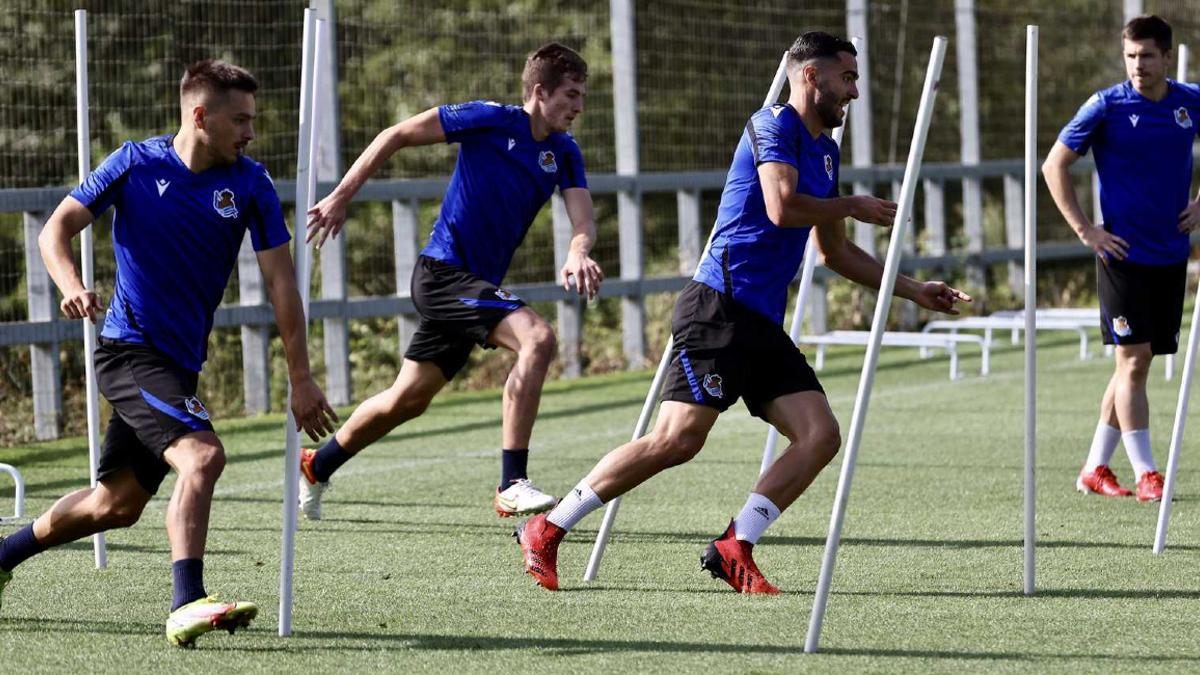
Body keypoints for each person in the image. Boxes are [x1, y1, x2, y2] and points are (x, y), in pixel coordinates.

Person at [514, 32, 971, 593]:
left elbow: (834, 252)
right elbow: (781, 208)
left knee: (820, 435)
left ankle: (735, 545)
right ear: (811, 77)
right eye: (847, 78)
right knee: (677, 440)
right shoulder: (772, 125)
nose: (853, 91)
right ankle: (549, 526)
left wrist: (913, 288)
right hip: (719, 309)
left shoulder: (826, 148)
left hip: (760, 324)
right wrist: (851, 204)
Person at [0, 60, 337, 647]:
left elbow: (283, 284)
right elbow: (54, 231)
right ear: (200, 116)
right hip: (129, 350)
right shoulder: (134, 163)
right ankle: (186, 602)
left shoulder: (251, 183)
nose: (250, 132)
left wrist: (301, 376)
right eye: (240, 120)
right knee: (203, 458)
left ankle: (3, 555)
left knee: (117, 505)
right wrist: (72, 286)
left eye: (253, 120)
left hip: (178, 363)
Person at [301, 43, 603, 521]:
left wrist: (576, 251)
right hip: (443, 274)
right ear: (540, 91)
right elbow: (395, 134)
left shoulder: (564, 152)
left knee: (408, 399)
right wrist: (340, 196)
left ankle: (318, 464)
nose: (579, 106)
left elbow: (582, 219)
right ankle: (512, 483)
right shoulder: (487, 119)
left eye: (583, 95)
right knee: (538, 339)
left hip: (473, 286)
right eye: (571, 94)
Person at [1043, 15, 1200, 502]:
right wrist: (1086, 230)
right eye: (1130, 56)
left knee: (1137, 363)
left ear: (1167, 57)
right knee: (1132, 361)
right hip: (1121, 255)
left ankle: (1094, 466)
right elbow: (1054, 164)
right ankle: (1148, 472)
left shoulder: (1190, 101)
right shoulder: (1106, 106)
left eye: (1147, 55)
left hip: (1171, 254)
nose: (1137, 65)